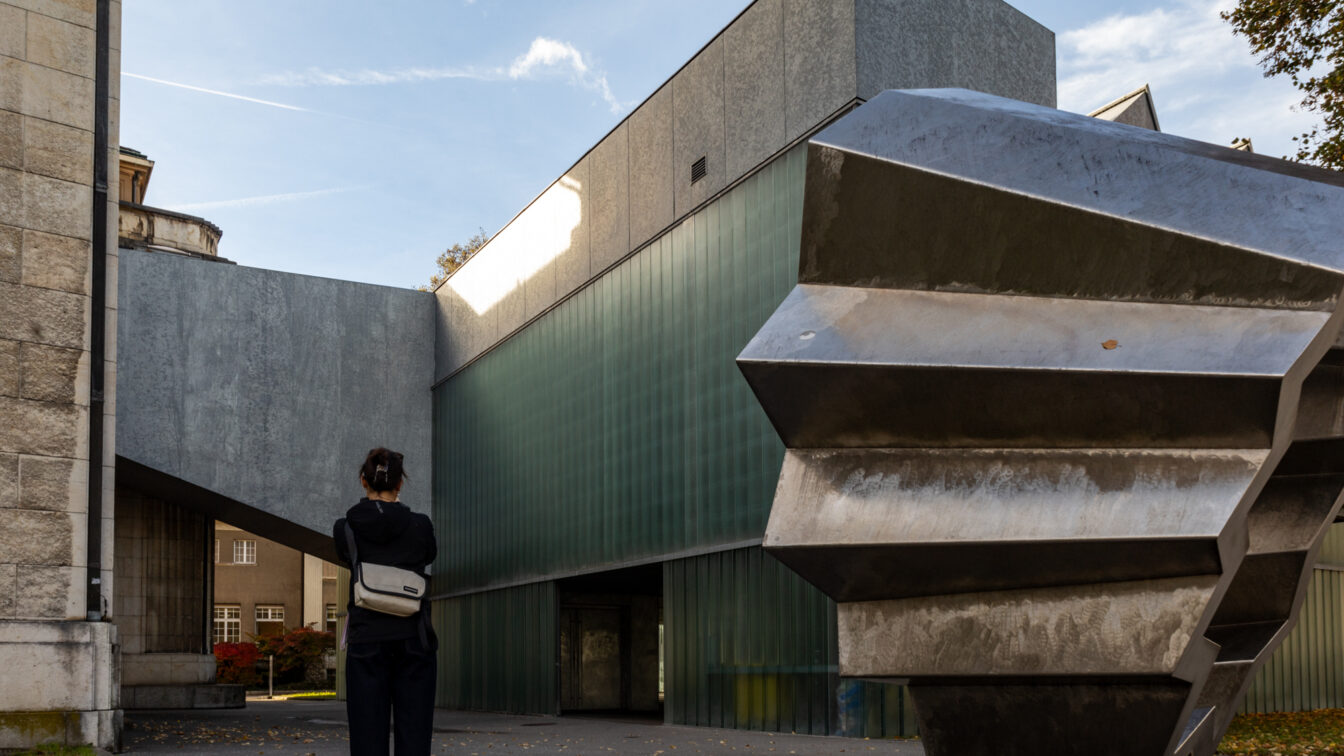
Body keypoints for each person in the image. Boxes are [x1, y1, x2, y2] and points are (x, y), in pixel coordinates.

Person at [333, 448, 438, 755]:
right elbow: (428, 555)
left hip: (367, 639)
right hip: (414, 638)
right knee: (415, 736)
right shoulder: (421, 526)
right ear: (399, 485)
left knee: (367, 738)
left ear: (363, 481)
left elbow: (345, 556)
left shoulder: (346, 528)